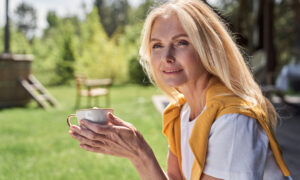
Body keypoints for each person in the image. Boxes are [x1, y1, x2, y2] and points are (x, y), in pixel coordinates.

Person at [69, 0, 293, 179]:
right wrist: (136, 155)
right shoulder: (181, 111)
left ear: (208, 49)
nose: (166, 57)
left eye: (181, 42)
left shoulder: (233, 120)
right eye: (157, 45)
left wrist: (141, 153)